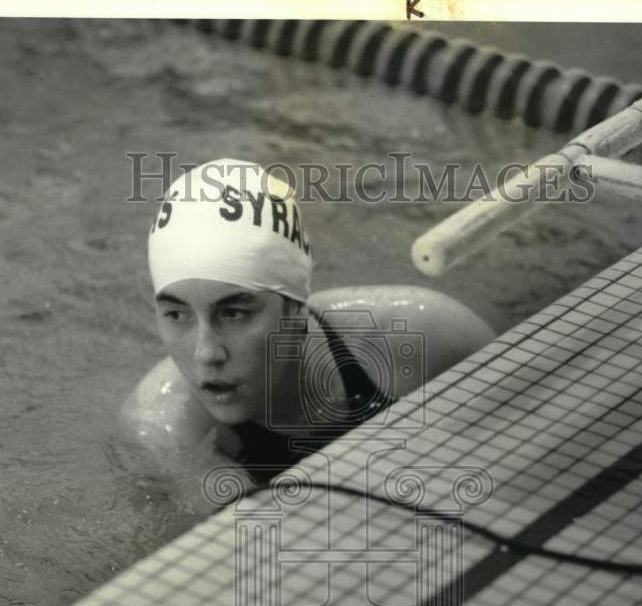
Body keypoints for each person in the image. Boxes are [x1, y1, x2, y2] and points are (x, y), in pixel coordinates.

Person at [120, 158, 495, 493]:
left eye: (233, 314)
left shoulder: (428, 335)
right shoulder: (159, 433)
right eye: (177, 314)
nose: (206, 353)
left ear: (295, 306)